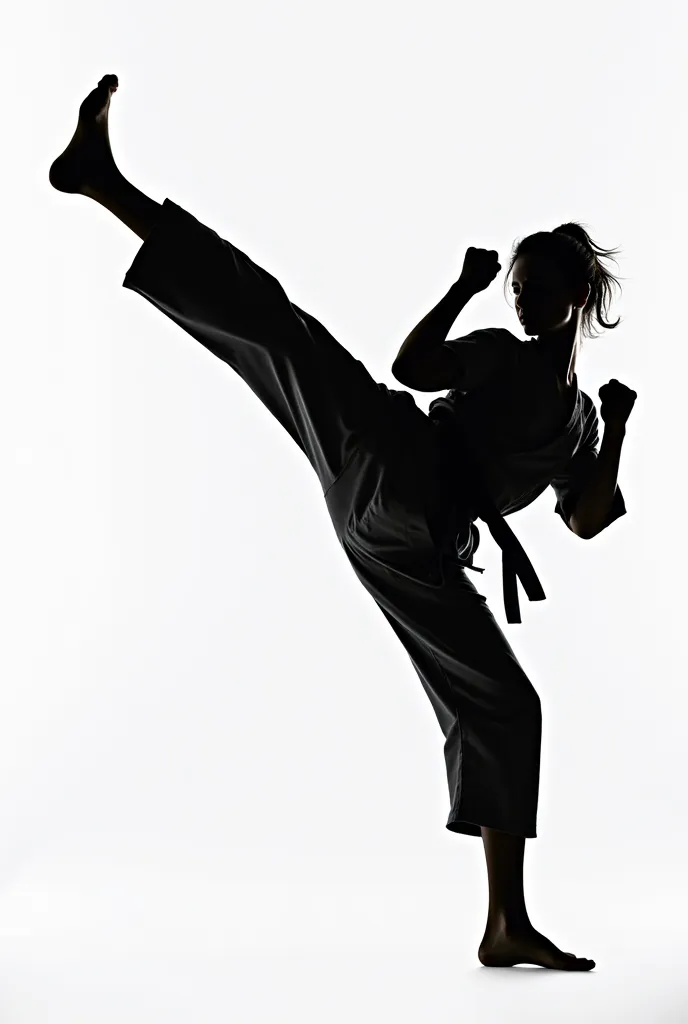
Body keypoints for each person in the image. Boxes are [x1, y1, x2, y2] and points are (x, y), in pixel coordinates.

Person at [49, 74, 637, 970]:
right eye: (515, 284)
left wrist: (623, 429)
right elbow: (412, 367)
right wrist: (460, 286)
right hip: (386, 457)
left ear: (578, 295)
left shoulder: (583, 420)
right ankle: (103, 182)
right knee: (276, 325)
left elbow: (589, 519)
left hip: (415, 546)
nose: (521, 297)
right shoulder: (493, 353)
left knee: (510, 705)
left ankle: (504, 922)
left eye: (537, 285)